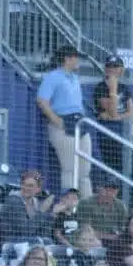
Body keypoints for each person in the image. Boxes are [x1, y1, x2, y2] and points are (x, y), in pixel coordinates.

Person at [36, 44, 92, 198]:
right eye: (76, 57)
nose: (78, 61)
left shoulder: (74, 78)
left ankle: (85, 208)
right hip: (63, 125)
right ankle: (69, 209)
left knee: (84, 172)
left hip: (79, 123)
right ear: (68, 59)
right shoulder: (53, 76)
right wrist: (57, 121)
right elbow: (42, 100)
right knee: (69, 169)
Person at [92, 54, 133, 173]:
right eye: (110, 66)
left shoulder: (125, 88)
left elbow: (131, 112)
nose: (112, 69)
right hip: (107, 136)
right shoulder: (100, 88)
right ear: (105, 69)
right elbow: (113, 111)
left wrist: (116, 118)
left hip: (124, 134)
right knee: (111, 170)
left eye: (116, 67)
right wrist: (113, 89)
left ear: (121, 70)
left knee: (126, 169)